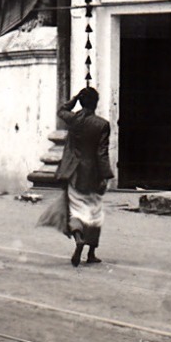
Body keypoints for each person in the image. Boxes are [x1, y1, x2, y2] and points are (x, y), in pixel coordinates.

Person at [47, 87, 113, 266]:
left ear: (82, 102)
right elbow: (102, 153)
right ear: (96, 103)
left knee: (75, 209)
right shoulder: (102, 124)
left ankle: (78, 238)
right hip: (92, 173)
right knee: (94, 210)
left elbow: (61, 110)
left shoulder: (73, 120)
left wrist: (74, 99)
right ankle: (91, 252)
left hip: (73, 172)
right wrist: (105, 175)